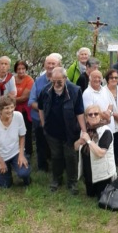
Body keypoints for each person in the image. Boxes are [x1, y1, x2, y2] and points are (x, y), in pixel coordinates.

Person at [38, 67, 86, 195]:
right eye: (53, 81)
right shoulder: (45, 91)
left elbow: (80, 112)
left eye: (59, 81)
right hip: (52, 132)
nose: (56, 84)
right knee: (56, 156)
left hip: (70, 132)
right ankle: (56, 180)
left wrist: (84, 130)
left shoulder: (75, 91)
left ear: (65, 79)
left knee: (70, 157)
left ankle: (72, 182)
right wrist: (43, 125)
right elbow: (41, 108)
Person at [74, 104, 118, 198]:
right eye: (90, 114)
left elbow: (100, 153)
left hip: (103, 173)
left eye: (96, 114)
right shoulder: (84, 130)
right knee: (90, 195)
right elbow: (75, 147)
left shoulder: (105, 131)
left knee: (102, 198)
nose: (93, 116)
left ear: (101, 116)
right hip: (89, 173)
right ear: (86, 118)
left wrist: (89, 141)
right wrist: (79, 141)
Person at [0, 96, 31, 187]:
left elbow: (22, 136)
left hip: (15, 151)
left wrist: (21, 155)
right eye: (7, 108)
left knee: (24, 173)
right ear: (0, 110)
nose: (10, 110)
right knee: (5, 186)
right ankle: (5, 172)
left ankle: (26, 177)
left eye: (12, 107)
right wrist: (0, 161)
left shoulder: (18, 116)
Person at [28, 54, 61, 172]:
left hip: (56, 121)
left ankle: (57, 168)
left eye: (54, 64)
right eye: (49, 63)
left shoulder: (63, 80)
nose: (51, 66)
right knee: (41, 144)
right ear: (44, 65)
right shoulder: (38, 81)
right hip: (38, 119)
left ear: (59, 65)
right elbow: (31, 101)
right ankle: (42, 168)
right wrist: (44, 109)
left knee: (56, 145)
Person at [13, 60, 34, 159]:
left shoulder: (29, 80)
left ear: (26, 69)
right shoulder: (12, 79)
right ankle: (15, 151)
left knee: (26, 131)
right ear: (16, 70)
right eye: (19, 69)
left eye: (23, 69)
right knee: (14, 131)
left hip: (25, 110)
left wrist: (10, 100)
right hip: (13, 109)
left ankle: (28, 152)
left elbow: (24, 98)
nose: (21, 71)